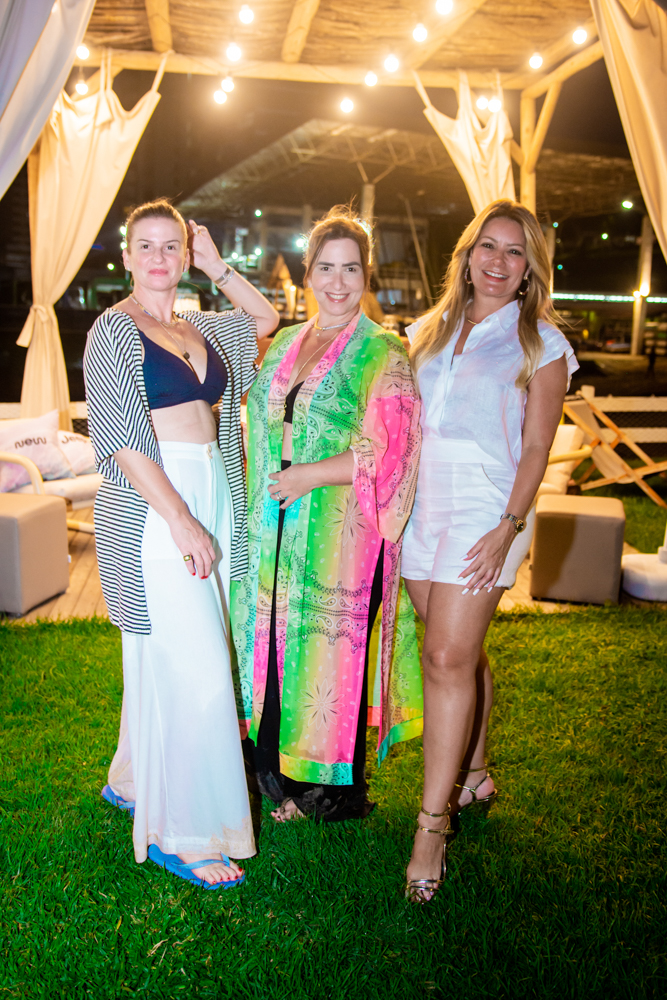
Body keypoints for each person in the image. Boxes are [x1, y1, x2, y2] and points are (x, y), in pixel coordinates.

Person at [83, 198, 279, 889]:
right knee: (196, 659)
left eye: (173, 246)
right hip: (155, 503)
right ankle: (183, 832)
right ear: (127, 257)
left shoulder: (201, 323)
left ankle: (131, 778)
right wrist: (179, 518)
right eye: (147, 246)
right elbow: (121, 439)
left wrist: (219, 267)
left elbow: (264, 320)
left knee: (177, 646)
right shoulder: (113, 329)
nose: (160, 257)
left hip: (213, 491)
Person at [402, 199, 578, 903]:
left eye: (515, 252)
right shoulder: (424, 331)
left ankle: (431, 827)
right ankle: (474, 773)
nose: (499, 262)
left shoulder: (542, 343)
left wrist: (509, 525)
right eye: (488, 247)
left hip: (487, 505)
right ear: (467, 254)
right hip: (422, 503)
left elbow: (536, 447)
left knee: (445, 657)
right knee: (458, 650)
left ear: (530, 268)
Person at [232, 206, 423, 823]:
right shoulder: (287, 341)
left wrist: (308, 475)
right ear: (307, 271)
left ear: (366, 275)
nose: (337, 283)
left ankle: (324, 791)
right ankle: (275, 775)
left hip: (340, 529)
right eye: (325, 268)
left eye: (351, 269)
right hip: (276, 523)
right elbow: (254, 414)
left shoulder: (383, 352)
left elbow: (390, 447)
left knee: (328, 655)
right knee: (274, 646)